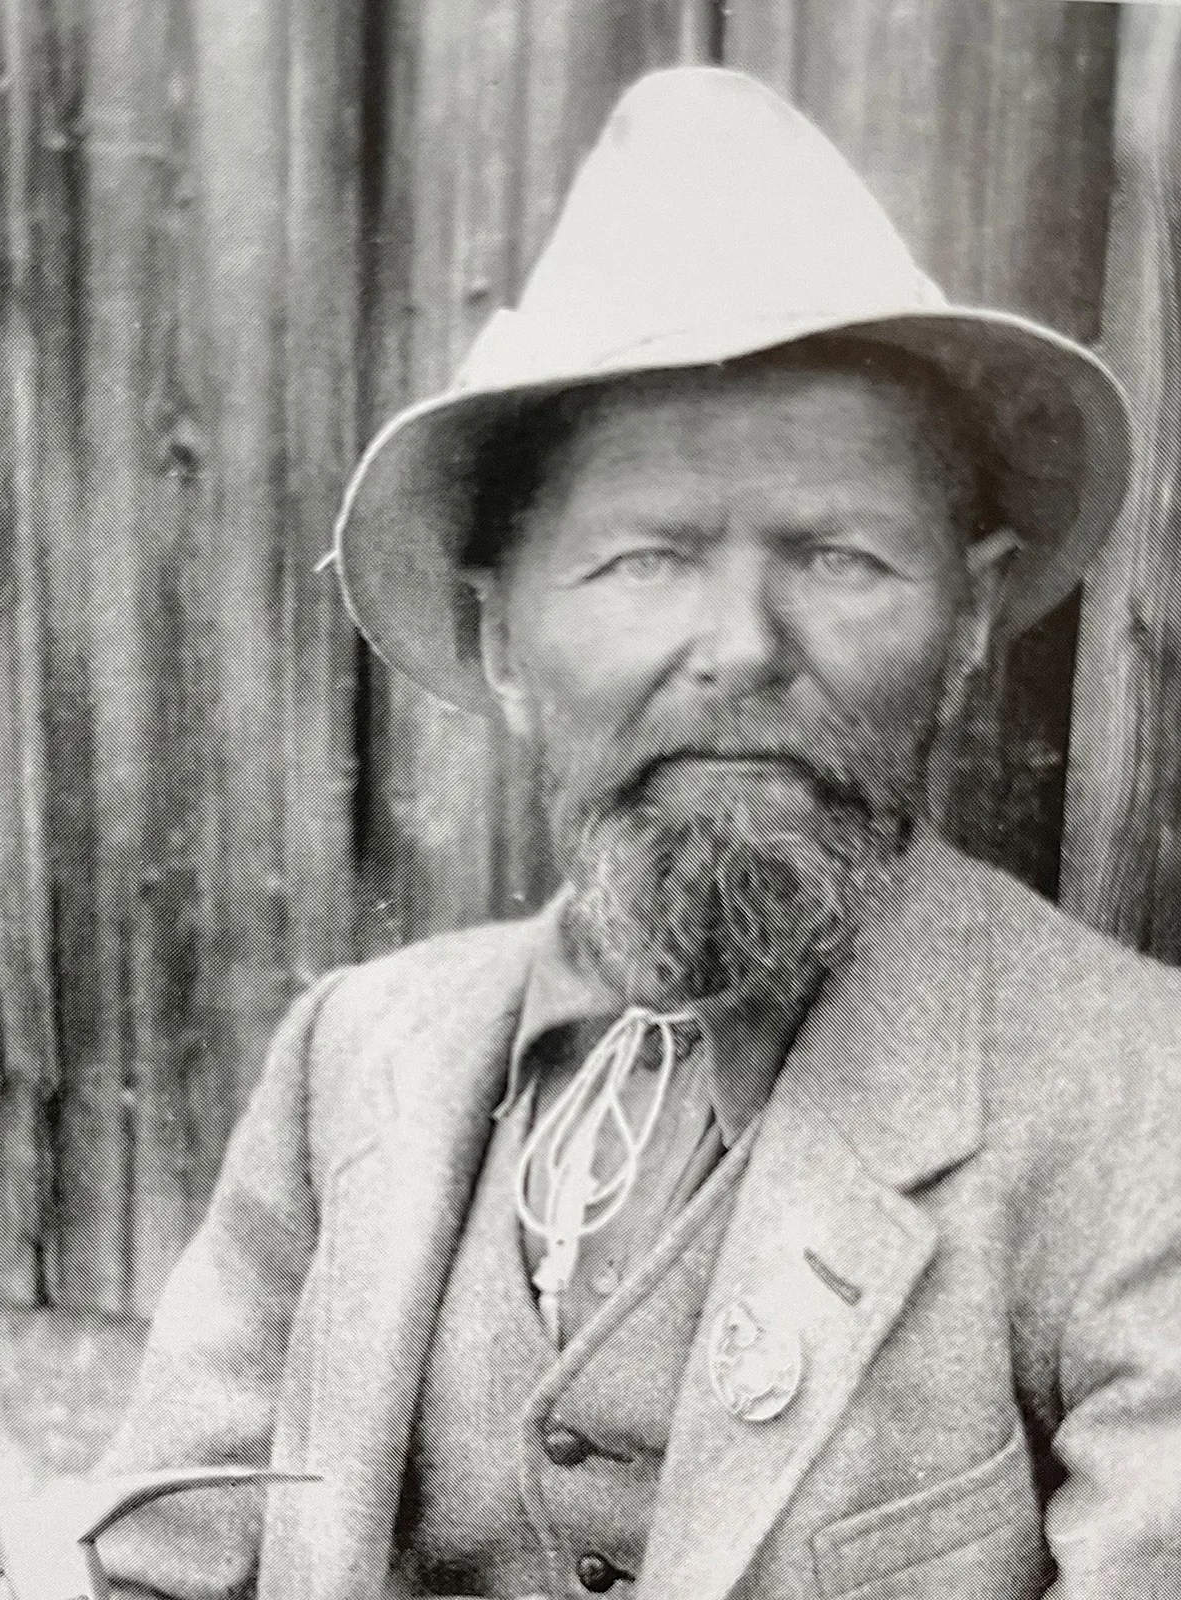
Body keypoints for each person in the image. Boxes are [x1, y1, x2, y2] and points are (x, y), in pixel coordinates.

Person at [92, 67, 1181, 1600]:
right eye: (643, 560)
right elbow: (161, 1565)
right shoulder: (359, 1053)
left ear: (972, 617)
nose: (740, 645)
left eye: (840, 553)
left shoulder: (1142, 1105)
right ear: (499, 646)